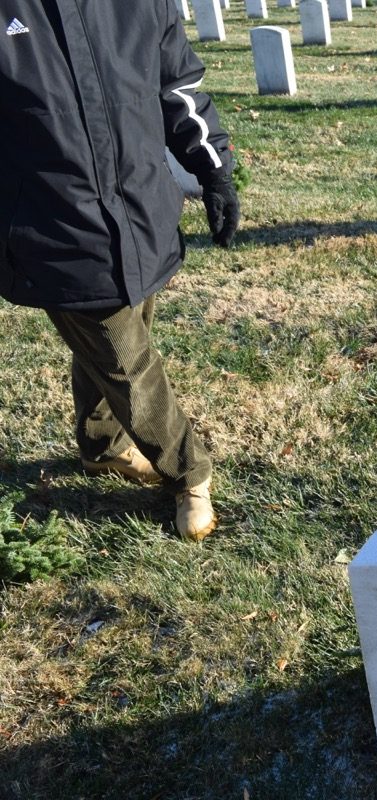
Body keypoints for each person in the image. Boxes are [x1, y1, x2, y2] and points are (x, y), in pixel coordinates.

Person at [0, 0, 240, 541]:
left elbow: (178, 87)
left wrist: (215, 169)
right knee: (124, 357)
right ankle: (189, 473)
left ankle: (101, 444)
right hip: (52, 224)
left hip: (140, 209)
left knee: (117, 342)